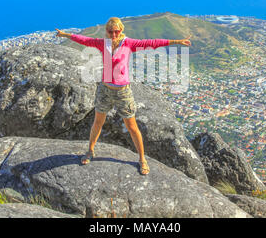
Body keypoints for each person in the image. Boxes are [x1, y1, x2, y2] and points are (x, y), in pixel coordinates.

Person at [55, 17, 191, 175]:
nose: (113, 35)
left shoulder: (128, 43)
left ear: (121, 30)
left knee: (132, 127)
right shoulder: (102, 43)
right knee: (97, 122)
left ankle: (142, 159)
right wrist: (65, 35)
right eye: (110, 32)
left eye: (117, 31)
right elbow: (85, 40)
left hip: (122, 91)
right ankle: (90, 151)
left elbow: (152, 43)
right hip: (104, 89)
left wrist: (177, 41)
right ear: (107, 31)